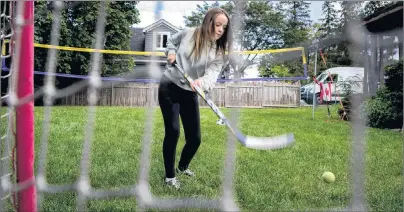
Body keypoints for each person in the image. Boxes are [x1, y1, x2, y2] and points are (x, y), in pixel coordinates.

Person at [157, 7, 233, 189]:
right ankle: (169, 178)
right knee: (173, 131)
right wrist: (171, 52)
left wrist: (201, 83)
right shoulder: (188, 33)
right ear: (209, 22)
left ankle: (183, 167)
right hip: (169, 87)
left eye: (224, 27)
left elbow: (212, 75)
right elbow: (171, 43)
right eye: (218, 25)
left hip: (190, 92)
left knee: (195, 139)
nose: (221, 29)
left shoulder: (219, 52)